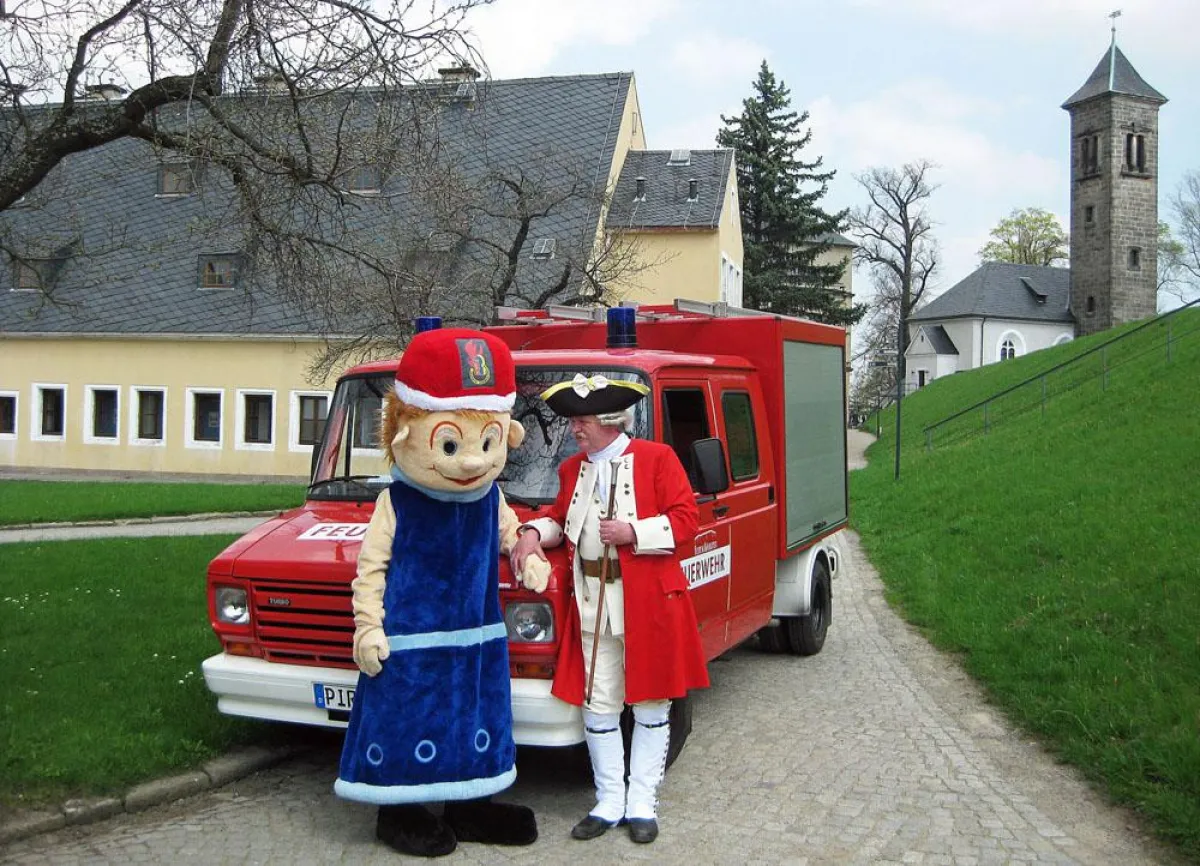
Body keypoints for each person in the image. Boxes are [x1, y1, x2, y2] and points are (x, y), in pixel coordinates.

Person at [335, 326, 547, 858]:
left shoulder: (488, 496)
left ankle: (470, 804)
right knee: (409, 719)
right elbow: (371, 570)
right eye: (451, 444)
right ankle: (399, 814)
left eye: (486, 442)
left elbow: (509, 531)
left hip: (476, 641)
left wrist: (529, 550)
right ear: (407, 435)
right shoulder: (399, 503)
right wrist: (368, 627)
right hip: (411, 643)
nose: (472, 461)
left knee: (475, 719)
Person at [511, 374, 710, 844]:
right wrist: (533, 533)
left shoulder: (658, 459)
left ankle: (642, 802)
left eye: (580, 422)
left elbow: (687, 520)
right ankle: (608, 800)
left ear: (607, 421)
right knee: (598, 706)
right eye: (575, 422)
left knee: (650, 703)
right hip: (592, 605)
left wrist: (634, 533)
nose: (574, 430)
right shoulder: (571, 470)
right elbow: (560, 519)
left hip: (647, 603)